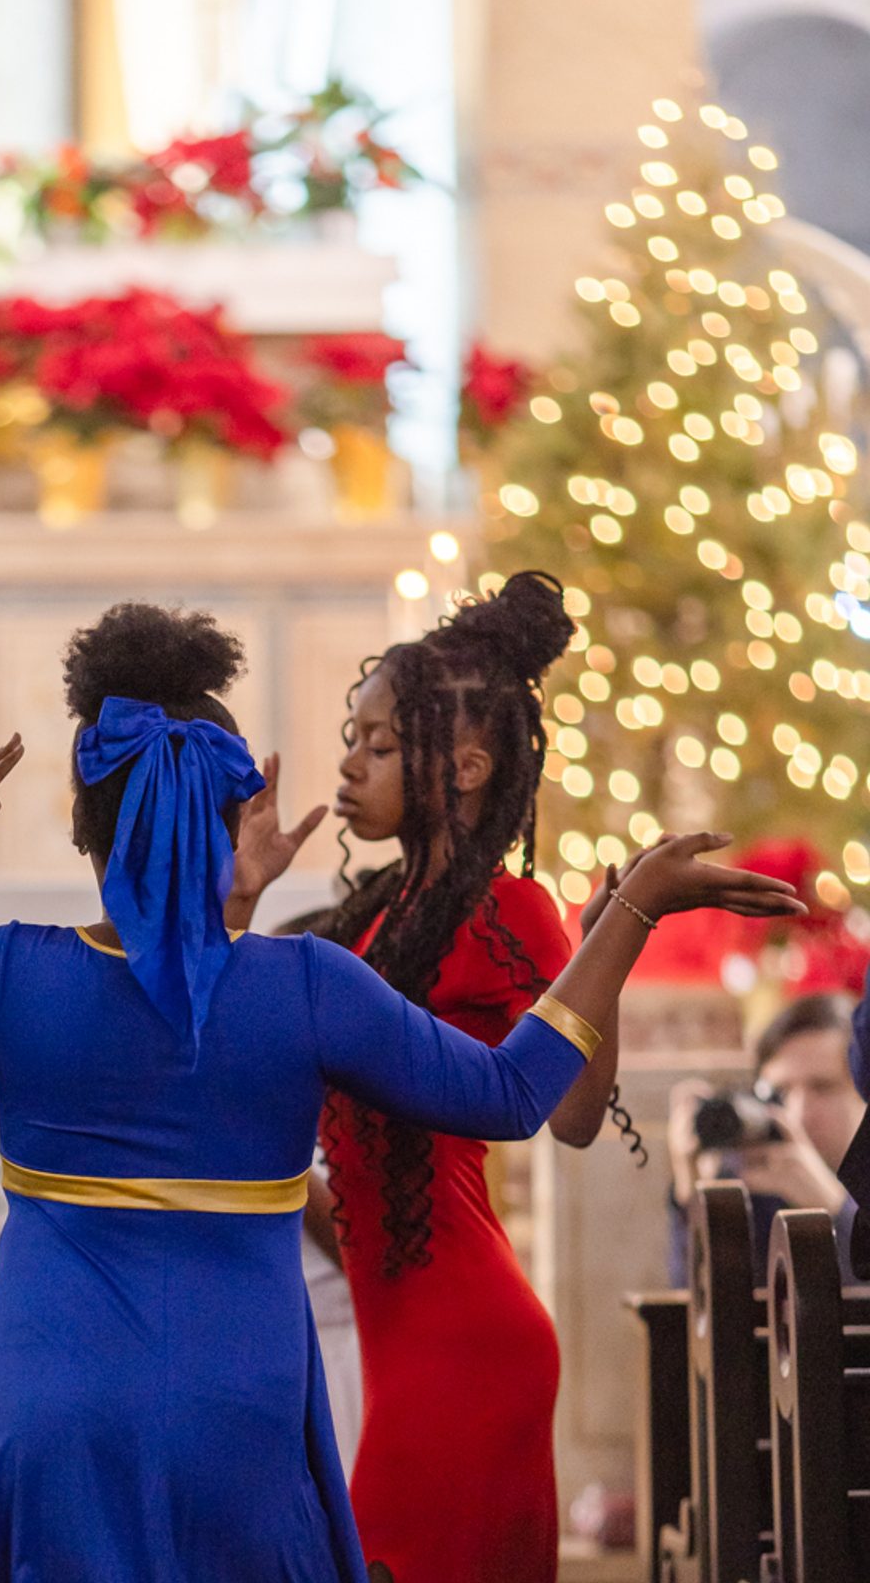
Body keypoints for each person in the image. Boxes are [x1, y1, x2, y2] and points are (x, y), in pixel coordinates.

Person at [0, 601, 800, 1583]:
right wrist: (627, 911)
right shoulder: (305, 986)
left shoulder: (4, 971)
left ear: (85, 823)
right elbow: (514, 1093)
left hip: (51, 1410)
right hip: (240, 1415)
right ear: (234, 814)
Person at [225, 572, 627, 1583]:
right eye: (351, 738)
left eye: (379, 743)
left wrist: (611, 945)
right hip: (393, 1342)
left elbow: (574, 1117)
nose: (348, 763)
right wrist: (238, 897)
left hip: (468, 1346)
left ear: (466, 765)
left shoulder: (514, 911)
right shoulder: (361, 920)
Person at [668, 992, 866, 1287]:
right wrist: (694, 1199)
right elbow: (702, 1317)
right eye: (780, 1091)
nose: (798, 1112)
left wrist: (836, 1208)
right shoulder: (748, 1180)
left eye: (822, 1088)